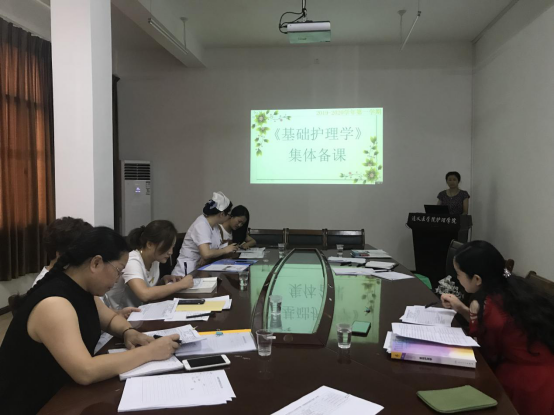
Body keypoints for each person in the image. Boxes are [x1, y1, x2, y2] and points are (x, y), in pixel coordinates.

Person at [0, 227, 181, 415]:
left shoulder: (81, 289)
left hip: (64, 393)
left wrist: (129, 332)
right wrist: (150, 352)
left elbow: (110, 319)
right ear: (96, 263)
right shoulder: (54, 304)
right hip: (35, 405)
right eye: (118, 270)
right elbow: (85, 371)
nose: (118, 279)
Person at [441, 241, 554, 415]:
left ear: (477, 279)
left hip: (529, 384)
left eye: (459, 274)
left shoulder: (490, 307)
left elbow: (485, 354)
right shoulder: (510, 288)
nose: (457, 278)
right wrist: (463, 309)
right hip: (541, 369)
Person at [32, 217, 138, 319]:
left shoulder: (78, 282)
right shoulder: (52, 295)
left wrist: (118, 314)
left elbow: (97, 314)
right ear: (61, 255)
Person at [105, 220, 194, 309]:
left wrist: (162, 281)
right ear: (149, 244)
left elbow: (148, 286)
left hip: (140, 310)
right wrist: (181, 285)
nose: (170, 252)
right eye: (167, 247)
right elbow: (144, 294)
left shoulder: (155, 259)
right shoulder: (132, 261)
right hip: (120, 312)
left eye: (172, 247)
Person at [173, 192, 238, 275]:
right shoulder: (201, 224)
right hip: (185, 272)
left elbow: (211, 251)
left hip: (201, 269)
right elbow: (206, 253)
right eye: (228, 214)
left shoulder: (215, 226)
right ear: (221, 214)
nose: (229, 217)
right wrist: (224, 250)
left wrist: (209, 255)